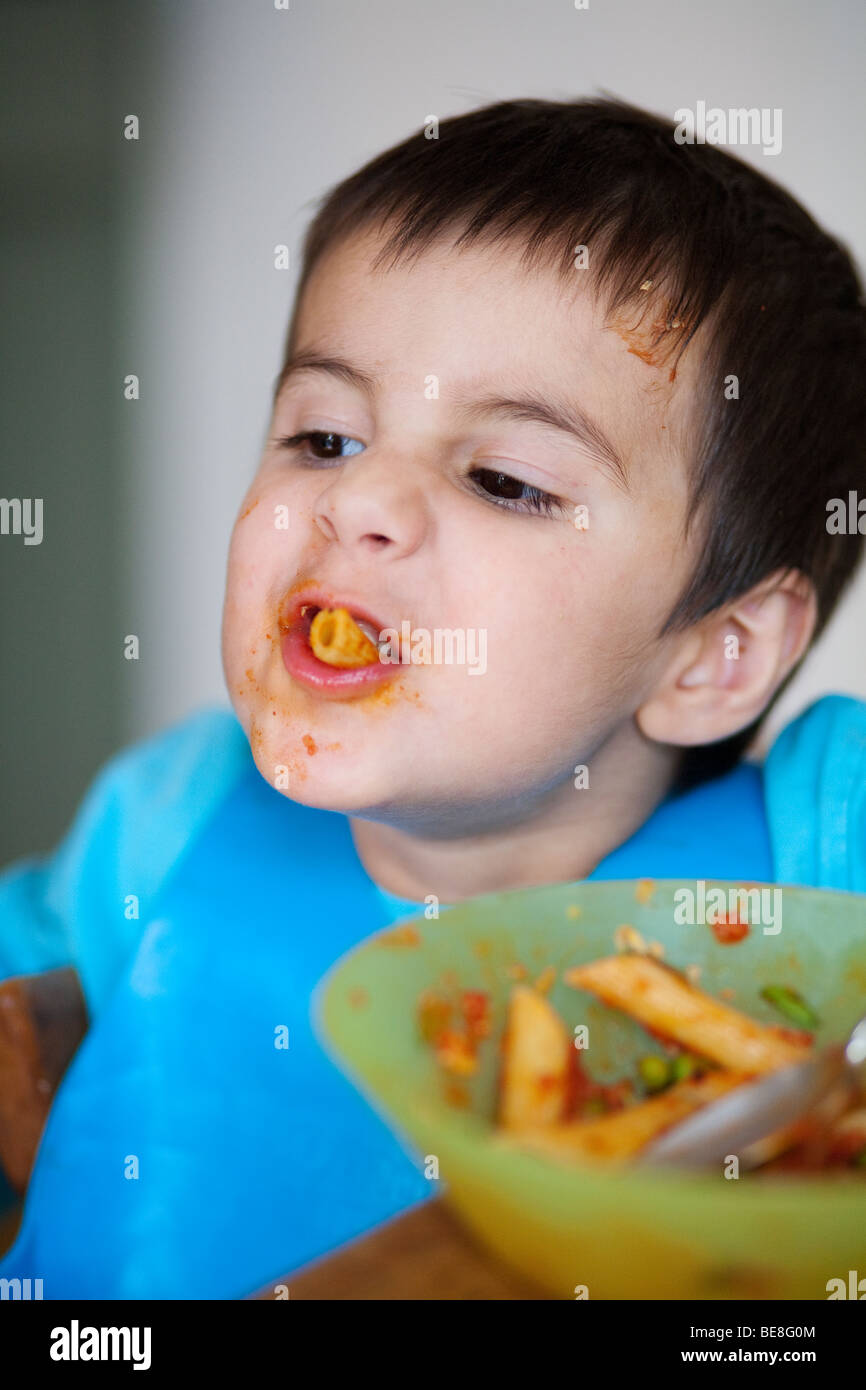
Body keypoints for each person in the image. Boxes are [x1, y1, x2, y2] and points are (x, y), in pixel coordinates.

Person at [2, 98, 865, 1297]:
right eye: (323, 437)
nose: (361, 503)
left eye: (503, 479)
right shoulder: (168, 813)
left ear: (712, 655)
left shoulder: (815, 857)